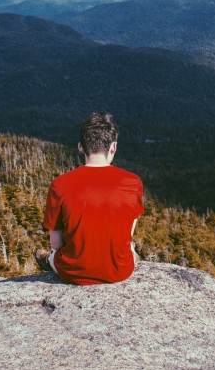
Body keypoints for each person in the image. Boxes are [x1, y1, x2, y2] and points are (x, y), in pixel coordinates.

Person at [35, 112, 144, 285]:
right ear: (113, 147)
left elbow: (56, 243)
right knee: (129, 247)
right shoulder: (133, 182)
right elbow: (128, 233)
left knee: (52, 254)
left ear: (81, 147)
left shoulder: (59, 184)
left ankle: (45, 259)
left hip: (72, 272)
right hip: (119, 270)